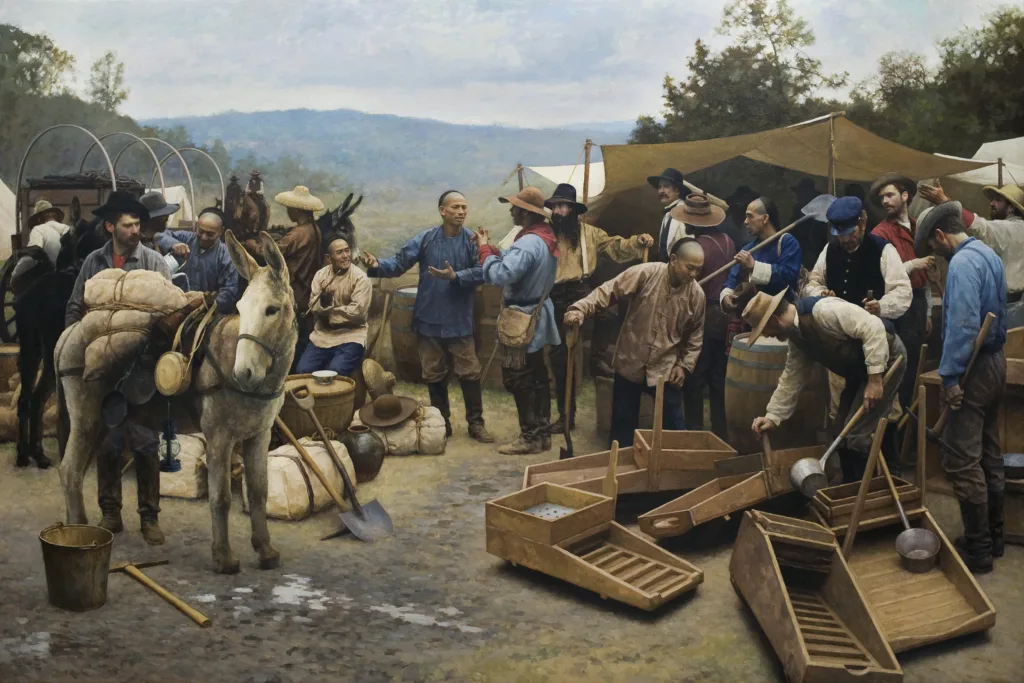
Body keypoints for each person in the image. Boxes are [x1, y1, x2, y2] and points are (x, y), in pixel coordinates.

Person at [65, 191, 171, 546]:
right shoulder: (93, 263)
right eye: (128, 225)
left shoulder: (154, 263)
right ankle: (110, 512)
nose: (135, 231)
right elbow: (75, 308)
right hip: (103, 373)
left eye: (139, 224)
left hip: (141, 371)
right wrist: (79, 353)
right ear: (110, 226)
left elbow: (170, 314)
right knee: (108, 443)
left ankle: (149, 517)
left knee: (144, 442)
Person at [915, 200, 1007, 573]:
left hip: (974, 369)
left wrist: (950, 378)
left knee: (962, 461)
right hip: (994, 364)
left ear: (940, 235)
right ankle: (995, 537)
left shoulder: (963, 265)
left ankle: (979, 549)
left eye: (932, 246)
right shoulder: (989, 254)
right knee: (989, 451)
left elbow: (964, 327)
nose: (933, 253)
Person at [363, 190, 493, 443]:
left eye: (464, 207)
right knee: (433, 373)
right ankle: (441, 422)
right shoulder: (425, 239)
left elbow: (483, 271)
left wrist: (456, 276)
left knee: (469, 372)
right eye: (455, 207)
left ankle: (476, 423)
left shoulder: (471, 241)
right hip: (429, 318)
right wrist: (376, 264)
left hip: (459, 319)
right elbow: (398, 264)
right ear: (442, 211)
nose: (461, 212)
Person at [747, 286, 906, 484]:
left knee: (857, 435)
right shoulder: (797, 337)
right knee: (841, 431)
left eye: (765, 330)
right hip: (860, 371)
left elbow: (873, 327)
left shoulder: (824, 311)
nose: (768, 335)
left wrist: (875, 380)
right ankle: (851, 487)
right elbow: (792, 377)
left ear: (773, 320)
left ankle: (875, 487)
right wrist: (773, 416)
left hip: (888, 358)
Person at [566, 238, 706, 449]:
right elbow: (609, 290)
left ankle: (675, 473)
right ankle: (619, 472)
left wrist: (684, 366)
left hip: (664, 368)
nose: (694, 274)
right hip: (630, 361)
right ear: (674, 260)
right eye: (690, 268)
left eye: (698, 270)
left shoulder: (697, 295)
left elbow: (696, 336)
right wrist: (580, 308)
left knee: (674, 428)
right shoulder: (645, 273)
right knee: (622, 426)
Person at [544, 183, 653, 434]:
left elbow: (616, 247)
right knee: (561, 357)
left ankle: (598, 359)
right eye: (555, 206)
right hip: (554, 295)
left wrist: (637, 241)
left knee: (608, 316)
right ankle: (565, 415)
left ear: (574, 210)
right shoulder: (546, 234)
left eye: (564, 206)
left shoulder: (590, 234)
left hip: (582, 291)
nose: (559, 211)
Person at [475, 187, 559, 455]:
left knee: (518, 378)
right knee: (537, 376)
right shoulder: (543, 237)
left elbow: (501, 275)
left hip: (521, 318)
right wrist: (492, 248)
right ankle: (542, 433)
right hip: (536, 313)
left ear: (526, 212)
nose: (511, 210)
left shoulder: (528, 243)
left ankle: (530, 437)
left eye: (515, 207)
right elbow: (517, 264)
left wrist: (484, 252)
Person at [919, 180, 1024, 328]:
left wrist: (947, 204)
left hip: (1010, 306)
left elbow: (980, 227)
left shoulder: (1010, 229)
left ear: (1012, 207)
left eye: (998, 200)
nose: (992, 203)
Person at [869, 173, 934, 407]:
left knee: (916, 365)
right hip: (895, 308)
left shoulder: (919, 227)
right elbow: (880, 277)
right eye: (882, 198)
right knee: (899, 366)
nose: (885, 201)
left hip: (917, 304)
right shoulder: (879, 234)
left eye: (890, 195)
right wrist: (911, 265)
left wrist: (926, 313)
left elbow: (926, 278)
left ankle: (910, 426)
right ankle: (895, 426)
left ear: (905, 196)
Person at [673, 195, 734, 438]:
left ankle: (695, 431)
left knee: (695, 377)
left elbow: (688, 286)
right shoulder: (729, 240)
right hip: (726, 315)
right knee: (719, 378)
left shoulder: (697, 248)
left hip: (705, 314)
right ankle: (720, 431)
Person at [803, 196, 912, 320]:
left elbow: (902, 291)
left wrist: (880, 306)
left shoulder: (883, 249)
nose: (845, 239)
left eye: (851, 233)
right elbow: (813, 283)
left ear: (862, 224)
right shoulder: (830, 249)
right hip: (836, 322)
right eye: (840, 235)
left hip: (873, 324)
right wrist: (821, 294)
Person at [720, 197, 802, 348]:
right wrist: (726, 296)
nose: (745, 221)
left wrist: (754, 266)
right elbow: (732, 279)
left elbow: (789, 276)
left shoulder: (786, 242)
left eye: (750, 216)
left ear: (765, 218)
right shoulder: (748, 249)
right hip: (751, 323)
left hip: (780, 322)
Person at [294, 236, 372, 378]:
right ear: (329, 258)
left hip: (351, 336)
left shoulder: (361, 278)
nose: (345, 256)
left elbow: (358, 313)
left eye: (347, 251)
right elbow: (313, 306)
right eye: (340, 252)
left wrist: (327, 312)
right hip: (322, 336)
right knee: (302, 371)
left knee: (336, 373)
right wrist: (324, 302)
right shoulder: (320, 275)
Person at [269, 185, 324, 370]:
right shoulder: (314, 229)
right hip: (307, 291)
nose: (288, 211)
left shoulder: (299, 233)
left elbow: (272, 253)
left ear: (298, 209)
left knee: (290, 339)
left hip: (296, 291)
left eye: (290, 208)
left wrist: (252, 244)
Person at [155, 207, 240, 314]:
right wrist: (173, 244)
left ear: (221, 232)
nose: (204, 237)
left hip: (204, 311)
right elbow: (158, 235)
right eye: (201, 231)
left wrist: (206, 304)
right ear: (196, 227)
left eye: (210, 234)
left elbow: (230, 290)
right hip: (174, 304)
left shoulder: (226, 256)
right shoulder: (186, 238)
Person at [648, 168, 689, 262]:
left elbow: (689, 249)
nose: (661, 191)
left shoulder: (685, 212)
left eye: (666, 186)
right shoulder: (668, 214)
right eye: (659, 187)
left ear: (677, 191)